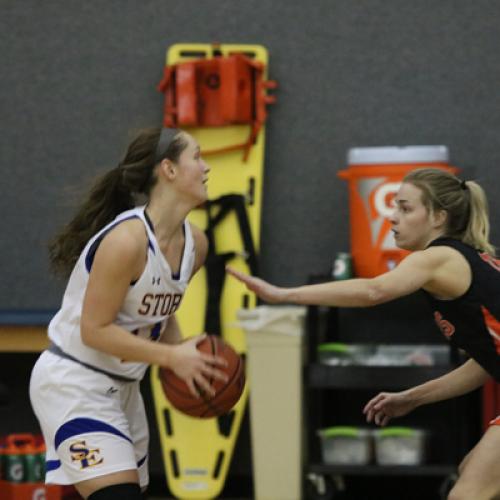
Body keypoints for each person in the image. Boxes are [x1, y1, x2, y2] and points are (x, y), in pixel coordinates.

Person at [227, 167, 500, 500]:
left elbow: (374, 291)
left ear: (438, 217)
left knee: (468, 492)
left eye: (405, 208)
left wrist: (285, 295)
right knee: (473, 471)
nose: (392, 218)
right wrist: (411, 397)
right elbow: (487, 363)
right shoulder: (456, 263)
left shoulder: (438, 257)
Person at [29, 127, 228, 500]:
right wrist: (171, 357)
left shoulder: (195, 245)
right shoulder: (126, 242)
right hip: (75, 383)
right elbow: (95, 330)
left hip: (125, 390)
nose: (206, 168)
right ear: (168, 169)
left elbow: (158, 314)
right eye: (197, 157)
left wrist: (186, 358)